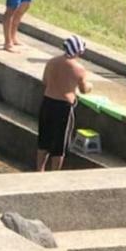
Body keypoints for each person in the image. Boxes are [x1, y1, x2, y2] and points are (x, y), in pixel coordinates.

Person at [36, 35, 92, 171]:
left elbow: (45, 81)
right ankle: (55, 173)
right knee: (60, 144)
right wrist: (90, 86)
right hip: (63, 107)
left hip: (47, 102)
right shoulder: (79, 69)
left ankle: (39, 170)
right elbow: (84, 89)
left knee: (44, 139)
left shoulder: (51, 62)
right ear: (79, 51)